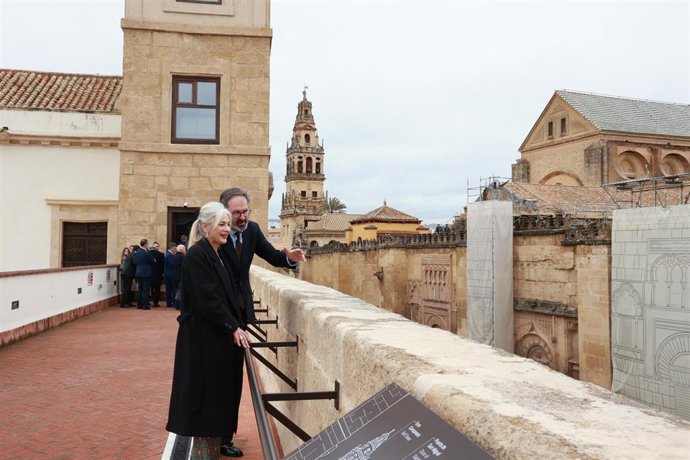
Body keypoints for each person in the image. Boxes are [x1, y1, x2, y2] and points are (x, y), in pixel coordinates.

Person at [217, 187, 306, 457]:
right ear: (225, 213)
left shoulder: (253, 230)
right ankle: (210, 427)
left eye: (245, 211)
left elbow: (272, 255)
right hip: (218, 313)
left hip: (240, 314)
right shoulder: (215, 233)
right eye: (236, 213)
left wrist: (290, 259)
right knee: (216, 376)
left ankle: (224, 437)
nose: (242, 217)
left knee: (233, 377)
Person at [166, 202, 250, 459]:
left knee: (221, 389)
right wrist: (232, 326)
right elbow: (208, 299)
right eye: (221, 224)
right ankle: (209, 436)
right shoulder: (196, 256)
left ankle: (220, 435)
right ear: (205, 227)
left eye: (227, 224)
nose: (227, 229)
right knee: (206, 390)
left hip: (217, 336)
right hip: (204, 338)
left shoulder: (219, 253)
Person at [134, 238, 156, 309]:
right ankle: (144, 305)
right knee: (145, 289)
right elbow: (152, 261)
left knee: (140, 289)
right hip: (146, 273)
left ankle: (139, 304)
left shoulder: (137, 252)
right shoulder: (146, 253)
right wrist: (154, 260)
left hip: (138, 272)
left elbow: (135, 262)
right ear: (145, 244)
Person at [164, 243, 179, 307]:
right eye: (175, 248)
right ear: (172, 248)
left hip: (168, 274)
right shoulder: (170, 255)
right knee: (171, 289)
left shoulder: (169, 255)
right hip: (170, 274)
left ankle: (169, 302)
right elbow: (172, 264)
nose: (176, 250)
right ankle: (170, 302)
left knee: (169, 289)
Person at [150, 242, 165, 307]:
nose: (156, 247)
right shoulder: (161, 254)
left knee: (152, 288)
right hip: (157, 274)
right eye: (155, 246)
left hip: (151, 274)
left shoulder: (149, 254)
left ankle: (153, 301)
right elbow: (163, 265)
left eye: (157, 246)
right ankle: (155, 302)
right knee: (157, 289)